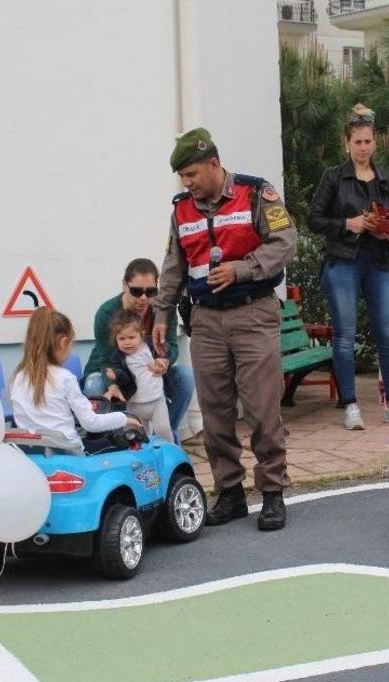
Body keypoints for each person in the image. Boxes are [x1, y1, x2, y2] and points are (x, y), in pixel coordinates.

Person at [152, 127, 297, 531]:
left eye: (192, 174)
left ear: (213, 164)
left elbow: (286, 242)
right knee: (215, 411)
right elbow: (173, 265)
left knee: (261, 407)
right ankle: (230, 492)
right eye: (182, 177)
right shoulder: (182, 210)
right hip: (206, 319)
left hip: (253, 314)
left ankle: (271, 493)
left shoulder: (255, 193)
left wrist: (243, 268)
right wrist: (162, 313)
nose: (187, 183)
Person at [306, 103, 389, 431]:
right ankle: (351, 406)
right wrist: (348, 224)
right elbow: (313, 219)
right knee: (345, 335)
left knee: (388, 336)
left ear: (375, 143)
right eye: (357, 142)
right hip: (343, 262)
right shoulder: (334, 177)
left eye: (368, 142)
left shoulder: (385, 179)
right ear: (346, 143)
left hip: (379, 262)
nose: (363, 148)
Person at [84, 258, 195, 442]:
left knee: (186, 376)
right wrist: (112, 385)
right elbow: (104, 360)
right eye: (136, 291)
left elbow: (173, 347)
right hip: (114, 373)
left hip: (149, 375)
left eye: (151, 291)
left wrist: (165, 362)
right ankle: (109, 441)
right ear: (124, 285)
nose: (144, 298)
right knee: (93, 384)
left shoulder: (163, 310)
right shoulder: (106, 312)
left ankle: (166, 434)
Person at [9, 307, 140, 453]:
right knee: (121, 446)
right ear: (63, 343)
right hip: (67, 454)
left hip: (31, 454)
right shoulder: (65, 378)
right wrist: (124, 418)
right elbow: (91, 423)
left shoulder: (18, 377)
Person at [103, 311, 174, 443]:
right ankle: (144, 459)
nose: (127, 343)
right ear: (116, 339)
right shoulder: (118, 356)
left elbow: (166, 350)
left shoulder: (150, 345)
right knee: (138, 435)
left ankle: (170, 454)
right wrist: (116, 375)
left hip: (157, 400)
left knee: (163, 429)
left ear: (141, 334)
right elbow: (125, 379)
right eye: (121, 339)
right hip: (135, 404)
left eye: (131, 337)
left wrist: (163, 360)